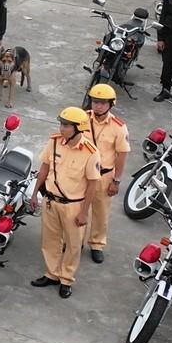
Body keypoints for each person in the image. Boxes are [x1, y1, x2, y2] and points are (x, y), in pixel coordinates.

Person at [31, 107, 99, 298]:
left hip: (74, 206)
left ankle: (66, 279)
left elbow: (93, 185)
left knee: (73, 244)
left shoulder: (90, 152)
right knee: (50, 240)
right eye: (61, 124)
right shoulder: (54, 143)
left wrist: (84, 212)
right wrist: (35, 193)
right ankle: (52, 274)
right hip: (51, 201)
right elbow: (44, 169)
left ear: (79, 128)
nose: (62, 128)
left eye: (67, 125)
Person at [83, 83, 130, 262]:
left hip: (104, 176)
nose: (98, 106)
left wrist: (116, 181)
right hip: (82, 175)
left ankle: (96, 244)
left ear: (111, 104)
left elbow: (122, 155)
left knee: (100, 212)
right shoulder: (82, 118)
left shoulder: (118, 127)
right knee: (77, 209)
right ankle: (74, 241)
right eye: (95, 101)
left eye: (103, 103)